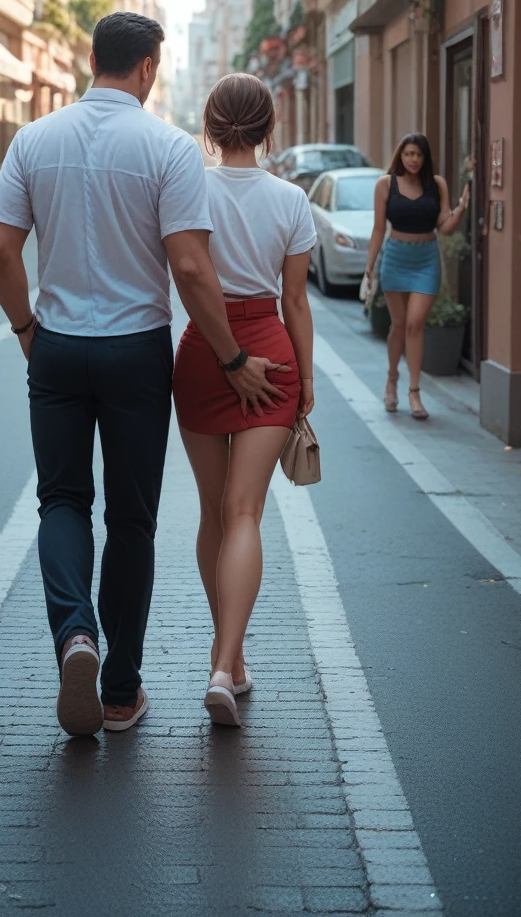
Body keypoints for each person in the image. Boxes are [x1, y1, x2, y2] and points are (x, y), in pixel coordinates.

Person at [0, 12, 288, 738]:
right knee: (132, 519)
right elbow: (189, 266)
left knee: (60, 500)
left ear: (93, 59)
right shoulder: (168, 148)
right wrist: (232, 356)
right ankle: (120, 691)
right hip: (136, 351)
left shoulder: (34, 139)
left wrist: (27, 327)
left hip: (56, 345)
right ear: (150, 67)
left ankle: (75, 636)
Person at [172, 74, 315, 729]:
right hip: (272, 353)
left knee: (212, 513)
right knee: (247, 513)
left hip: (205, 349)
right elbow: (294, 302)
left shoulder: (188, 187)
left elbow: (183, 272)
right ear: (269, 126)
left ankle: (226, 658)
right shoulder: (290, 199)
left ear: (210, 123)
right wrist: (304, 380)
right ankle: (227, 664)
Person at [364, 132, 471, 421]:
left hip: (426, 259)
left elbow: (445, 226)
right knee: (398, 325)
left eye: (419, 155)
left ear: (425, 158)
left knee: (415, 324)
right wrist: (370, 266)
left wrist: (461, 209)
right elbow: (377, 229)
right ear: (400, 155)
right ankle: (391, 379)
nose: (413, 159)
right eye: (409, 153)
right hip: (396, 257)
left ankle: (414, 392)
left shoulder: (436, 184)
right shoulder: (385, 184)